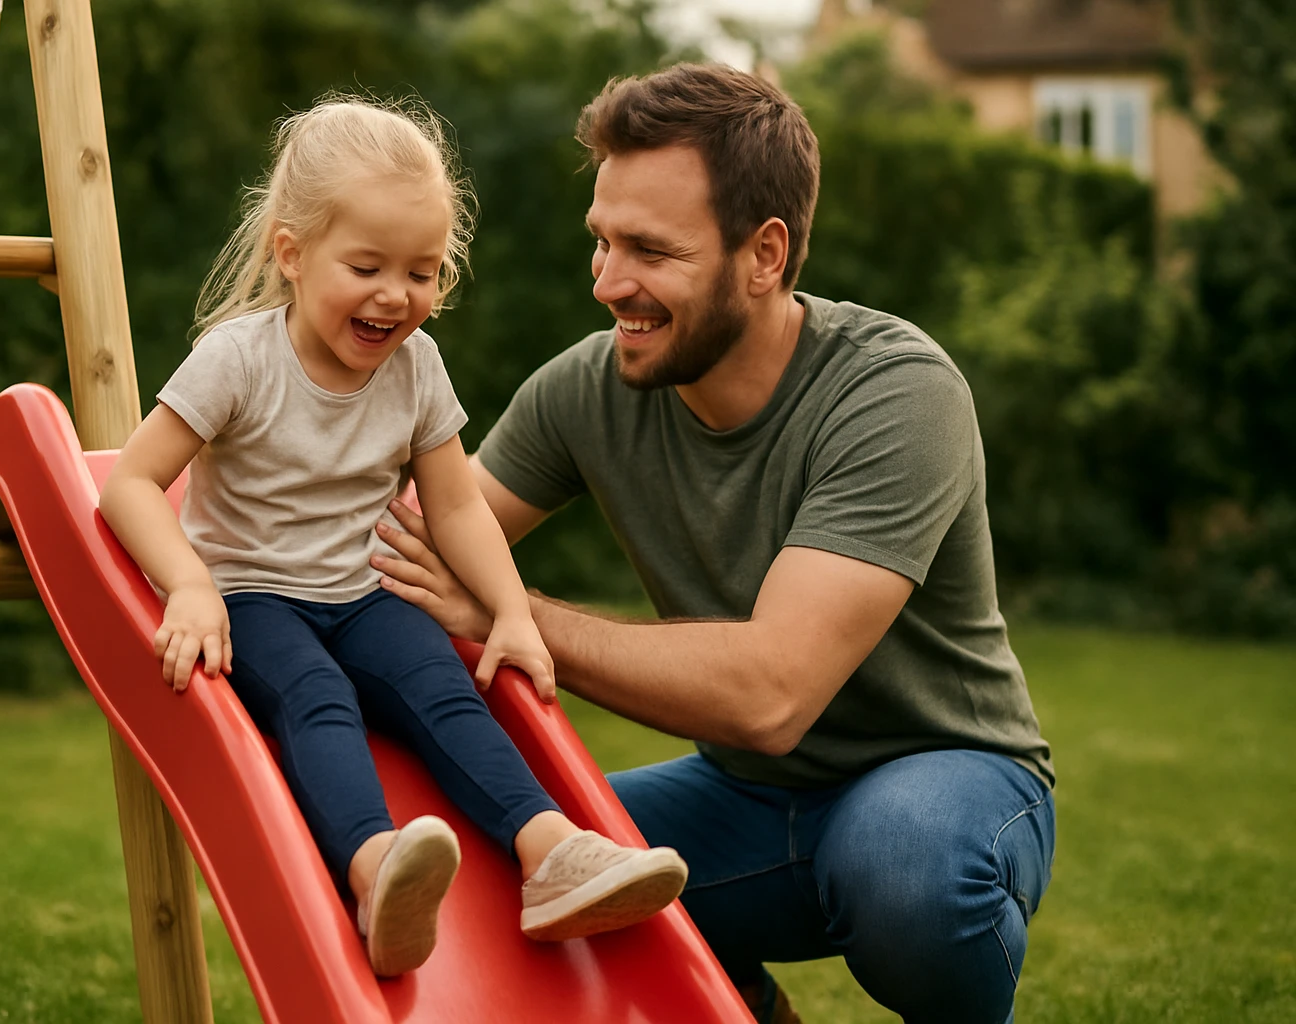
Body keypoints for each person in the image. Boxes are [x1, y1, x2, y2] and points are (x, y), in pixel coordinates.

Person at [372, 64, 1056, 1023]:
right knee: (522, 866)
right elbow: (407, 538)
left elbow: (771, 694)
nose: (609, 282)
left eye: (652, 250)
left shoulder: (897, 393)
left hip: (946, 781)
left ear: (764, 254)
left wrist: (510, 614)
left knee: (904, 867)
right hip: (745, 797)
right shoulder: (583, 391)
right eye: (603, 240)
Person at [97, 96, 687, 979]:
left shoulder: (415, 367)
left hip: (364, 593)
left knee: (445, 691)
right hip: (252, 598)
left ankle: (552, 853)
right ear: (292, 254)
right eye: (366, 266)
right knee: (316, 698)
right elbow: (130, 483)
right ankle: (378, 876)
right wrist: (187, 585)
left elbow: (456, 508)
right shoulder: (239, 360)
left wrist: (510, 611)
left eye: (421, 271)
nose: (395, 295)